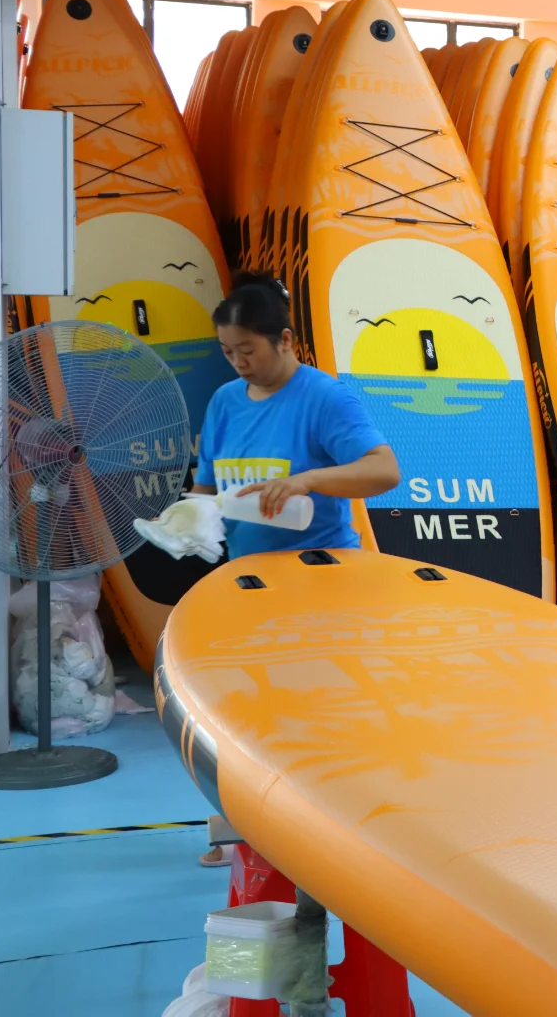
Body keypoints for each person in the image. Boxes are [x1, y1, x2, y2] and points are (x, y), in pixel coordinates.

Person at [190, 273, 400, 864]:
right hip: (249, 583)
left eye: (248, 350)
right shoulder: (226, 401)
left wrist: (308, 479)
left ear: (284, 339)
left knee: (319, 713)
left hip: (320, 581)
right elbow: (207, 485)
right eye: (227, 352)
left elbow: (384, 470)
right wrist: (189, 520)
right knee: (247, 710)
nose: (238, 363)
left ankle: (338, 832)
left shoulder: (325, 398)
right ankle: (246, 823)